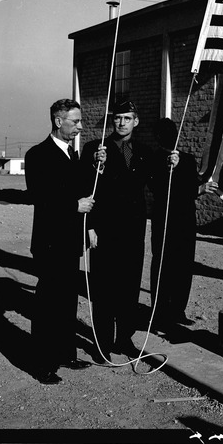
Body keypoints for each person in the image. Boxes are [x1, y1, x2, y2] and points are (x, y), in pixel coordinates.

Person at [25, 98, 106, 384]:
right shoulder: (37, 155)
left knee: (67, 300)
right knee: (49, 302)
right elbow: (39, 196)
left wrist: (97, 165)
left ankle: (65, 353)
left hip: (71, 240)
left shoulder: (73, 155)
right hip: (49, 242)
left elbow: (85, 189)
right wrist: (74, 206)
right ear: (58, 121)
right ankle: (43, 363)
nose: (79, 127)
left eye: (80, 121)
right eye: (75, 122)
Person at [80, 101, 153, 361]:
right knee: (103, 287)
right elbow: (85, 188)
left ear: (136, 121)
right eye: (117, 118)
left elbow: (158, 183)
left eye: (127, 118)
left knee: (129, 286)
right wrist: (89, 228)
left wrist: (173, 165)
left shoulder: (145, 151)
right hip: (105, 230)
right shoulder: (95, 149)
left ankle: (124, 338)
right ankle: (102, 344)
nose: (121, 123)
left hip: (133, 230)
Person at [147, 118, 218, 332]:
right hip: (164, 220)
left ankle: (178, 310)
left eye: (171, 132)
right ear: (157, 138)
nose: (167, 137)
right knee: (163, 265)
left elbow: (191, 186)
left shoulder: (187, 159)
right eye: (162, 133)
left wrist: (201, 188)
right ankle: (159, 313)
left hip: (185, 220)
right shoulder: (154, 160)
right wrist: (171, 170)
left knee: (184, 266)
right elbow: (158, 189)